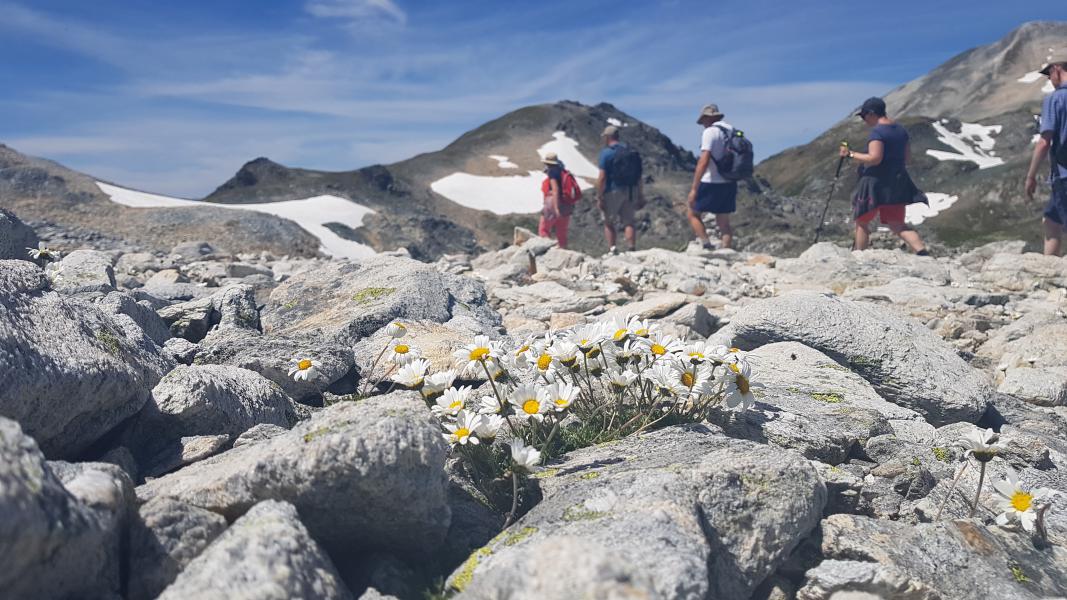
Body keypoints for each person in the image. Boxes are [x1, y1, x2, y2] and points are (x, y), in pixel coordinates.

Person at [840, 97, 929, 255]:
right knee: (897, 224)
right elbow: (907, 158)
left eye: (863, 116)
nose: (864, 120)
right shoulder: (901, 130)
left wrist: (850, 154)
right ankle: (922, 251)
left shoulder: (877, 132)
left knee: (862, 222)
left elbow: (875, 158)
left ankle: (858, 256)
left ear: (871, 114)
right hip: (897, 181)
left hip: (875, 183)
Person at [1025, 51, 1067, 256]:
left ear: (1056, 70)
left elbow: (1044, 142)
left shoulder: (1055, 99)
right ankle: (1048, 266)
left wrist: (1031, 176)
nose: (1049, 80)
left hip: (1064, 175)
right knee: (1051, 218)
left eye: (1048, 75)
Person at [687, 104, 738, 250]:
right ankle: (727, 252)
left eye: (702, 121)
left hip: (711, 181)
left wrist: (694, 188)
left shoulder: (710, 132)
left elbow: (704, 160)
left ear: (706, 118)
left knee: (692, 213)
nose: (702, 125)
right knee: (724, 222)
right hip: (729, 181)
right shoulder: (731, 130)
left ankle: (706, 245)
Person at [597, 125, 643, 254]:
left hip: (612, 191)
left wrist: (600, 196)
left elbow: (602, 177)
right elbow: (639, 176)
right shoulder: (630, 152)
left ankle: (613, 249)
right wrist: (640, 194)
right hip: (630, 190)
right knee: (629, 222)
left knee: (609, 222)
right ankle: (631, 248)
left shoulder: (606, 153)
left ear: (607, 137)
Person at [538, 152, 571, 249]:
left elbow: (555, 189)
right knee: (562, 232)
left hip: (553, 203)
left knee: (544, 229)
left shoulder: (552, 172)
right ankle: (564, 251)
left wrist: (556, 208)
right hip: (566, 205)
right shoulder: (562, 171)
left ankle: (546, 250)